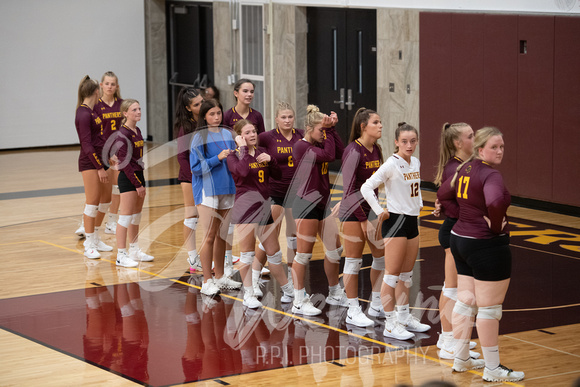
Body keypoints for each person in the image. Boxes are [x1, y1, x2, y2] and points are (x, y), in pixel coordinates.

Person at [437, 127, 524, 382]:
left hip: (460, 240)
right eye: (494, 147)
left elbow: (443, 194)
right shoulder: (490, 174)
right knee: (489, 310)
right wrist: (496, 227)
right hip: (485, 246)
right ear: (480, 149)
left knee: (465, 302)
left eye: (502, 147)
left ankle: (462, 359)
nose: (499, 151)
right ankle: (493, 368)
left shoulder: (464, 168)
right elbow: (496, 202)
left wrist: (463, 215)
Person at [360, 122, 431, 341]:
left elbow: (415, 188)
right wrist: (379, 210)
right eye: (404, 141)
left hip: (412, 221)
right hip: (396, 223)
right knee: (391, 276)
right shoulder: (391, 164)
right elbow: (366, 187)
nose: (409, 145)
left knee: (406, 275)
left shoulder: (416, 162)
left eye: (413, 141)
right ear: (396, 142)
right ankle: (390, 324)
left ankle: (403, 317)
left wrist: (418, 202)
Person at [227, 120, 295, 308]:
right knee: (247, 255)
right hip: (246, 209)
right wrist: (242, 150)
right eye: (247, 132)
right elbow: (241, 171)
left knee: (274, 253)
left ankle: (289, 291)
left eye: (254, 131)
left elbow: (278, 176)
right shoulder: (233, 156)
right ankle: (248, 294)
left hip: (264, 208)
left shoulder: (262, 153)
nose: (253, 135)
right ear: (239, 137)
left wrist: (271, 161)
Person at [290, 105, 346, 316]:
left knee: (334, 250)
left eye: (325, 131)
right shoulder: (301, 147)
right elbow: (330, 155)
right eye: (320, 131)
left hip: (323, 203)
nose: (323, 135)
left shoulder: (320, 143)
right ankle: (298, 299)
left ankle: (334, 292)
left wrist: (332, 129)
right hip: (305, 204)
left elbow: (339, 152)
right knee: (303, 255)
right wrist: (328, 131)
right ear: (309, 128)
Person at [432, 122, 479, 359]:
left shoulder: (467, 165)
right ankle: (447, 338)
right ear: (457, 143)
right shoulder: (455, 169)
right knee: (450, 287)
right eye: (471, 136)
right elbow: (449, 201)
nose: (475, 138)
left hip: (461, 229)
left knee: (460, 288)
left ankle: (451, 337)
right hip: (453, 231)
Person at [190, 98, 242, 296]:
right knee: (209, 235)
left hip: (227, 187)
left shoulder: (228, 134)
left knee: (223, 234)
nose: (216, 117)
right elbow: (195, 168)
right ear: (204, 116)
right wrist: (217, 158)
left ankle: (220, 277)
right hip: (207, 190)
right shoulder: (198, 138)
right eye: (212, 114)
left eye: (218, 113)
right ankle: (206, 280)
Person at [339, 108, 385, 327]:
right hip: (352, 212)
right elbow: (348, 190)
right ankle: (352, 309)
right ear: (363, 126)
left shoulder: (377, 149)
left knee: (380, 256)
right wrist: (363, 219)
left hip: (370, 210)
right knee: (354, 261)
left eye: (380, 122)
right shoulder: (352, 151)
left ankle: (376, 303)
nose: (380, 126)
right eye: (376, 122)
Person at [254, 102, 303, 296]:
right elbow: (252, 155)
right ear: (276, 119)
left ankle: (292, 278)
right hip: (274, 193)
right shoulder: (266, 137)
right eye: (283, 117)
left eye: (290, 117)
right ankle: (254, 278)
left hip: (296, 194)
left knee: (293, 238)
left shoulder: (300, 135)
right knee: (268, 239)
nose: (287, 120)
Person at [74, 75, 112, 258]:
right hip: (90, 163)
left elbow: (100, 139)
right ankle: (89, 243)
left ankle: (96, 237)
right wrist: (98, 167)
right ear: (97, 91)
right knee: (93, 202)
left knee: (106, 199)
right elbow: (87, 145)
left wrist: (109, 156)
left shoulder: (93, 111)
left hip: (101, 161)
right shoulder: (82, 113)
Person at [113, 99, 154, 267]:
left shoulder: (137, 130)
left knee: (136, 216)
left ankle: (134, 249)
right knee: (125, 217)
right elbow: (124, 163)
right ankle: (121, 255)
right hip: (128, 178)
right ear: (125, 113)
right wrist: (137, 184)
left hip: (139, 174)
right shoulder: (123, 134)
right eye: (134, 110)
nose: (138, 112)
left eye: (139, 109)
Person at [174, 87, 204, 272]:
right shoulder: (185, 127)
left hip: (209, 175)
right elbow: (181, 156)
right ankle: (192, 257)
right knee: (191, 216)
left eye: (202, 101)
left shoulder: (207, 121)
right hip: (190, 177)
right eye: (197, 104)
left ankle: (220, 256)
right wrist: (194, 175)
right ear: (188, 108)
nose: (201, 105)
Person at [96, 71, 124, 235]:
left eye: (113, 84)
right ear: (101, 85)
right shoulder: (96, 105)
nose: (109, 86)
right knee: (101, 193)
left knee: (118, 187)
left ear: (117, 86)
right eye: (107, 83)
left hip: (119, 152)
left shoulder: (121, 105)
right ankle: (90, 222)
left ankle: (111, 222)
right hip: (103, 153)